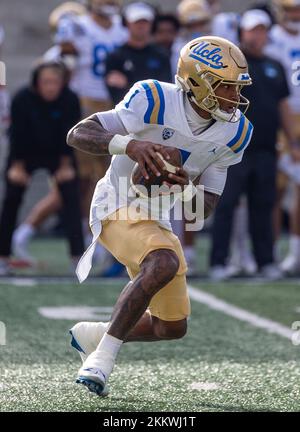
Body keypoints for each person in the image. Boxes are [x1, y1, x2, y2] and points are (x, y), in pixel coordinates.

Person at [67, 35, 253, 396]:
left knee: (171, 327)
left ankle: (91, 335)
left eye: (236, 88)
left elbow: (203, 210)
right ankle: (102, 360)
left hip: (157, 216)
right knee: (164, 261)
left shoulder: (237, 132)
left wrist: (184, 186)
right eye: (225, 87)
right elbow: (79, 133)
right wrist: (130, 144)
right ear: (197, 82)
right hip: (116, 202)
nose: (234, 97)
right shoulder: (153, 97)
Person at [210, 9, 299, 281]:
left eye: (261, 30)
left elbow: (282, 105)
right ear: (241, 33)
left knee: (263, 205)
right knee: (226, 205)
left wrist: (293, 141)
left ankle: (265, 261)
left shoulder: (275, 65)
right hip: (233, 147)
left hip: (265, 147)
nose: (257, 35)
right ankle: (219, 262)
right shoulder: (230, 66)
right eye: (252, 30)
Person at [0, 61, 84, 275]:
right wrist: (17, 167)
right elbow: (16, 134)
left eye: (55, 82)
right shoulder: (22, 99)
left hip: (58, 154)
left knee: (71, 197)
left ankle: (78, 260)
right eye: (46, 82)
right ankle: (3, 257)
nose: (50, 87)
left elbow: (71, 134)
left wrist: (66, 165)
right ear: (37, 83)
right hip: (25, 154)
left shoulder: (70, 99)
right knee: (11, 198)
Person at [265, 0, 300, 274]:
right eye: (289, 9)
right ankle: (272, 251)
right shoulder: (270, 38)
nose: (294, 15)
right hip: (278, 117)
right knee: (273, 190)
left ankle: (295, 252)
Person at [105, 2, 172, 105]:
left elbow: (165, 90)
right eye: (136, 22)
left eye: (145, 22)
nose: (141, 26)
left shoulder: (161, 55)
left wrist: (127, 84)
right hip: (124, 114)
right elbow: (116, 94)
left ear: (152, 24)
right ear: (126, 23)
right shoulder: (115, 56)